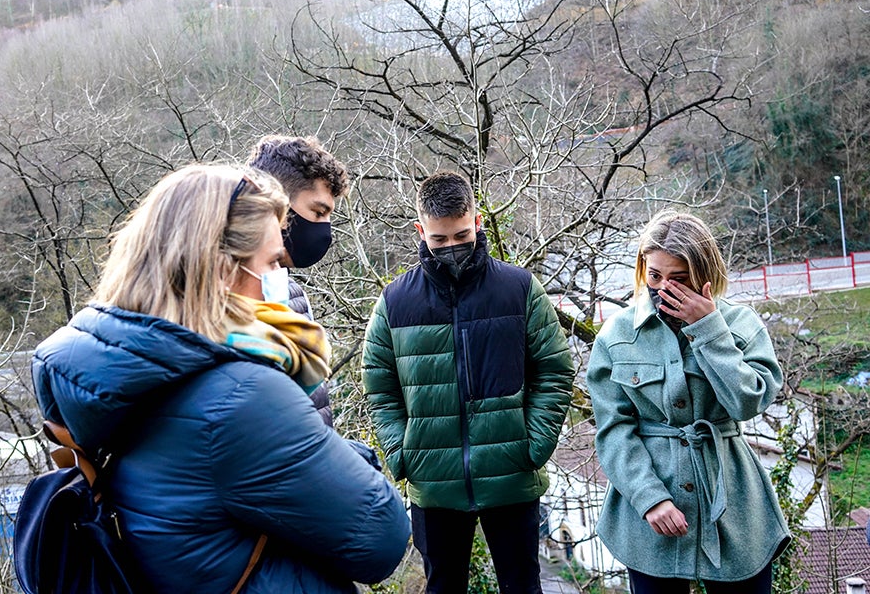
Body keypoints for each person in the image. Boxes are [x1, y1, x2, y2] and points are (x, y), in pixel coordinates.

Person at [31, 164, 410, 593]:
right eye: (270, 262)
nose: (277, 280)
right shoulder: (242, 397)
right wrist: (346, 456)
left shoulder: (122, 375)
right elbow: (382, 538)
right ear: (222, 267)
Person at [362, 171, 575, 594]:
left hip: (512, 475)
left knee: (523, 586)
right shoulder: (394, 302)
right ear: (420, 231)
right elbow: (379, 385)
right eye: (439, 240)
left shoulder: (519, 289)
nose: (452, 248)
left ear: (478, 223)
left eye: (462, 235)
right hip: (433, 482)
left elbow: (554, 369)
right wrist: (404, 454)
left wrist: (533, 444)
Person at [587, 210, 790, 594]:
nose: (664, 287)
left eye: (678, 279)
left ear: (703, 273)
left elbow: (748, 401)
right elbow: (613, 430)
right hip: (649, 513)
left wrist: (709, 330)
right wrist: (649, 499)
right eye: (655, 275)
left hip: (734, 504)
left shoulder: (742, 325)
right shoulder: (616, 334)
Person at [248, 135, 350, 427]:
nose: (325, 230)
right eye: (318, 212)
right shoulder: (220, 302)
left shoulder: (294, 294)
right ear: (276, 203)